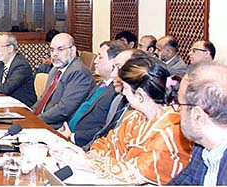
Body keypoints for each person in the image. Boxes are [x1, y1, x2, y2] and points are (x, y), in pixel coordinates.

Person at [53, 55, 193, 185]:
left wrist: (89, 164)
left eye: (126, 88)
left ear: (140, 95)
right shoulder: (135, 117)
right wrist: (84, 156)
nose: (123, 93)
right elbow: (108, 144)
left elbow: (139, 172)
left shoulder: (171, 129)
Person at [58, 40, 128, 146]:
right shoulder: (101, 83)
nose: (95, 61)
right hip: (65, 133)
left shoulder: (118, 92)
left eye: (100, 57)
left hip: (82, 144)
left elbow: (106, 129)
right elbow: (81, 108)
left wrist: (73, 137)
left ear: (114, 62)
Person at [32, 33, 95, 129]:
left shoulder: (79, 72)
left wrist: (35, 120)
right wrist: (29, 114)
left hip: (58, 127)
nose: (54, 54)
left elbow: (64, 110)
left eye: (60, 49)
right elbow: (43, 99)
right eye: (52, 50)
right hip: (43, 121)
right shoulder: (55, 69)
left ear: (72, 51)